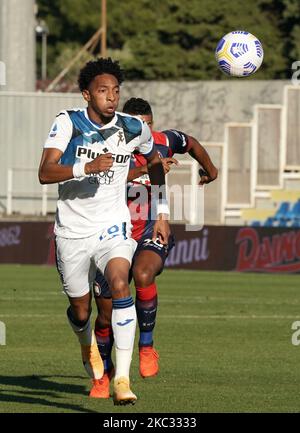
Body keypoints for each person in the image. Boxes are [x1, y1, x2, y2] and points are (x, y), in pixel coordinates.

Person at [38, 61, 170, 405]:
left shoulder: (132, 127)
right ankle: (86, 344)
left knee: (119, 282)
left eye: (115, 91)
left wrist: (163, 212)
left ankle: (122, 380)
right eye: (102, 91)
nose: (111, 98)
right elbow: (45, 172)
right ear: (86, 95)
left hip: (113, 225)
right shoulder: (67, 123)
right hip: (72, 231)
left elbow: (154, 162)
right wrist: (87, 166)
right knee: (81, 311)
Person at [90, 97, 218, 398]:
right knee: (105, 315)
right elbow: (104, 181)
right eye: (137, 125)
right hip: (110, 233)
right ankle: (103, 375)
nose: (143, 131)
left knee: (144, 273)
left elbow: (191, 143)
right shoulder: (109, 147)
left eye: (147, 124)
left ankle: (146, 347)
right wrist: (150, 170)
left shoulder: (163, 141)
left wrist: (210, 170)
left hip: (149, 228)